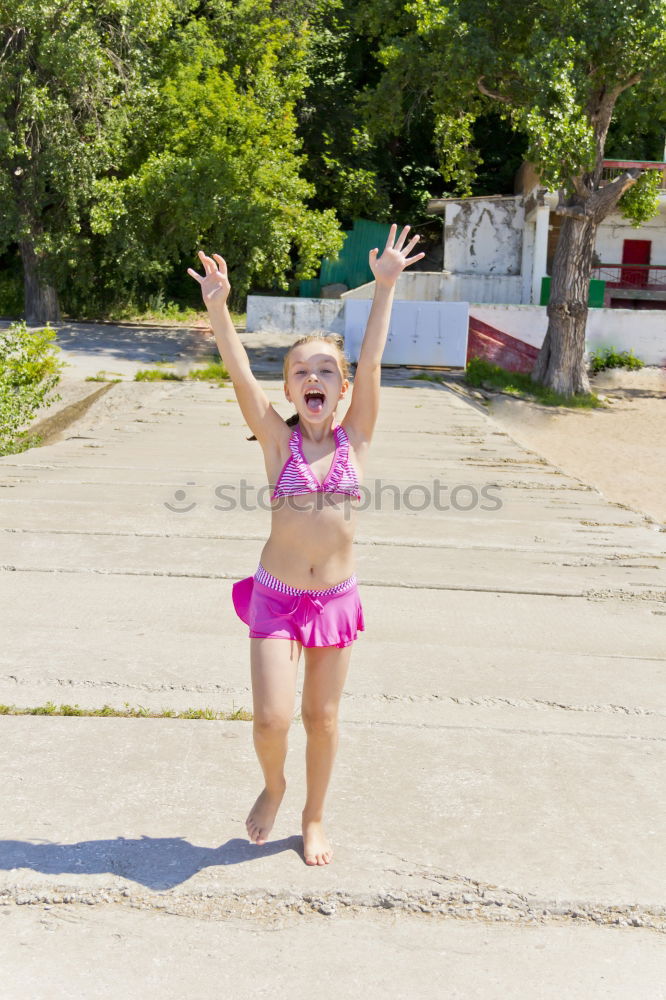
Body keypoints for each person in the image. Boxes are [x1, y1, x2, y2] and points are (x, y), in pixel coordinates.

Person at [188, 224, 424, 866]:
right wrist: (218, 306)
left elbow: (372, 359)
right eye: (301, 373)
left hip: (335, 600)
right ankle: (275, 785)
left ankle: (314, 816)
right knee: (271, 719)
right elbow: (240, 376)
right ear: (290, 391)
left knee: (321, 719)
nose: (313, 379)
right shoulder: (277, 441)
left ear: (341, 390)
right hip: (278, 595)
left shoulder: (357, 440)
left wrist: (385, 288)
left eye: (327, 372)